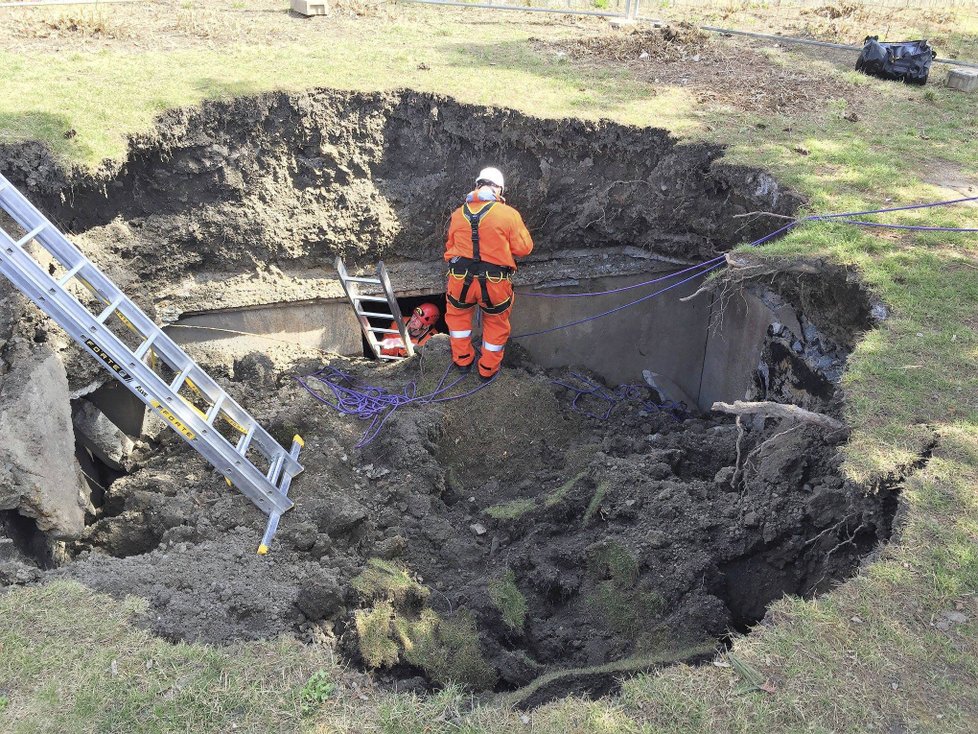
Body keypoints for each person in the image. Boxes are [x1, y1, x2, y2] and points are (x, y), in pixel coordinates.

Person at [443, 167, 533, 379]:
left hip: (459, 280)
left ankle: (463, 361)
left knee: (458, 319)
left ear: (477, 186)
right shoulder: (508, 214)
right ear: (499, 189)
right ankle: (487, 370)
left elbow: (450, 246)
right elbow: (524, 248)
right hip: (495, 283)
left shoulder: (458, 214)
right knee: (495, 324)